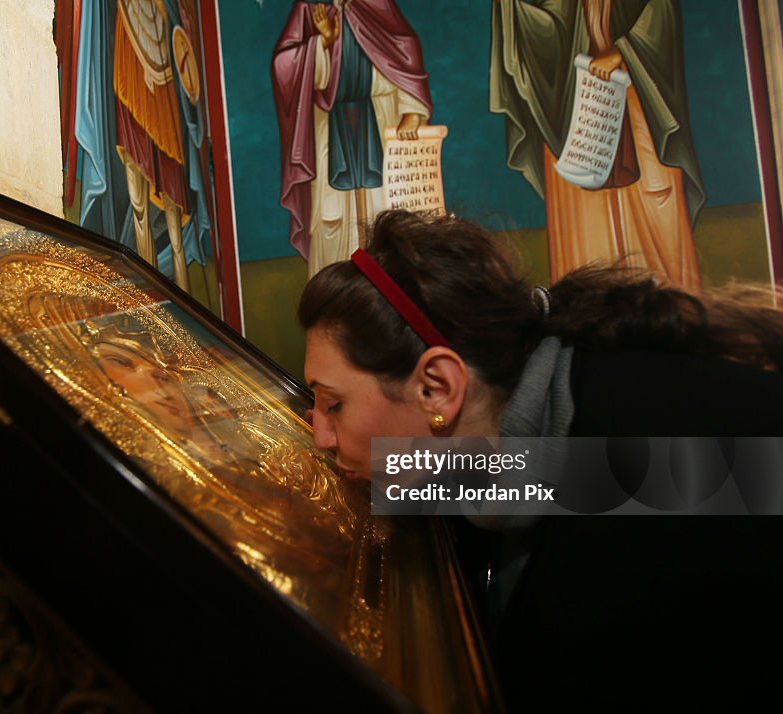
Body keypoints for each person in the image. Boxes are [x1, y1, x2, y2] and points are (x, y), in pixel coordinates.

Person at [298, 209, 783, 712]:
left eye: (335, 404)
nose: (321, 437)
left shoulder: (642, 461)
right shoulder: (516, 441)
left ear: (436, 388)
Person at [490, 0, 704, 291]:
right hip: (578, 103)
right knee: (583, 213)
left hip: (639, 93)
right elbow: (550, 29)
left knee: (655, 197)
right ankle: (587, 313)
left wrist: (622, 51)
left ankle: (673, 307)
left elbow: (660, 12)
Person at [272, 0, 432, 277]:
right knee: (332, 216)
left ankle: (394, 288)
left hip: (379, 117)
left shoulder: (377, 4)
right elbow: (284, 66)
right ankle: (337, 291)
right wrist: (322, 43)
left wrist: (411, 110)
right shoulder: (309, 8)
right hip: (328, 125)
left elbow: (402, 49)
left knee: (383, 207)